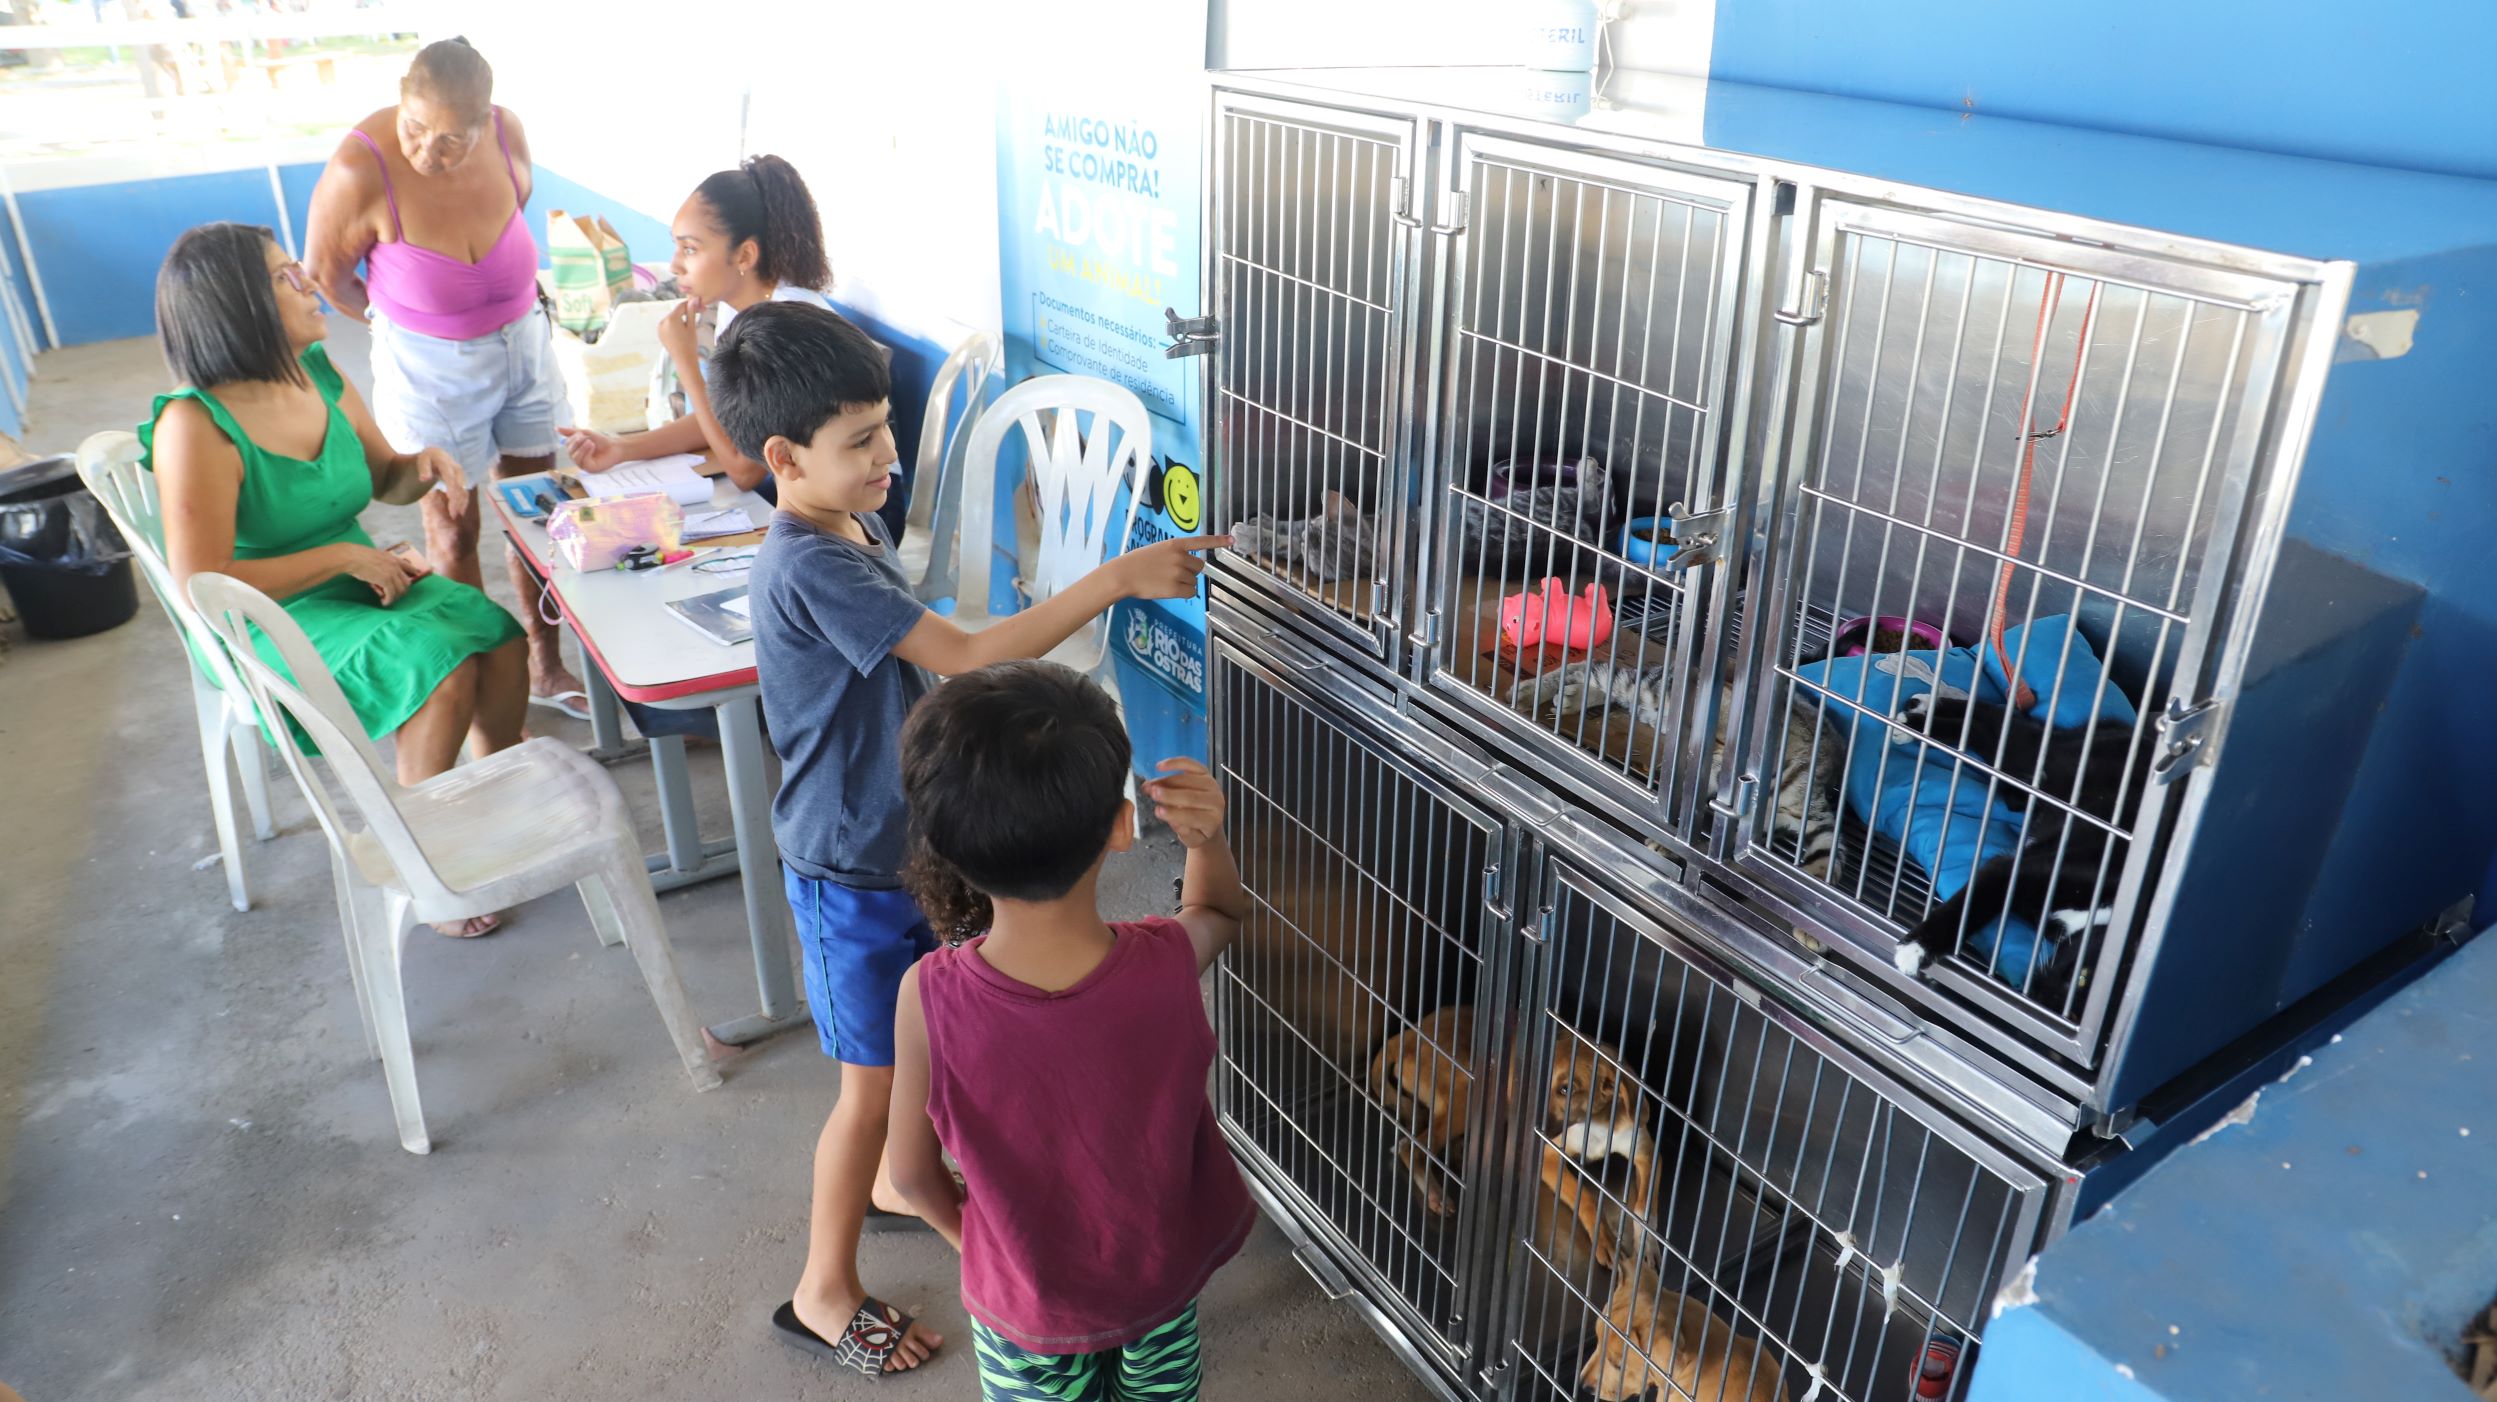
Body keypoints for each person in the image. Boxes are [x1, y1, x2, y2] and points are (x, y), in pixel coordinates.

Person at [706, 301, 1226, 1377]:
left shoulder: (842, 525)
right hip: (847, 861)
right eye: (859, 444)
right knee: (866, 1089)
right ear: (781, 456)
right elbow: (968, 651)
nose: (886, 457)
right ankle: (823, 1288)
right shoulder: (811, 562)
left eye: (885, 430)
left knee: (913, 1050)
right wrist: (1116, 579)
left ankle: (908, 1182)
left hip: (901, 839)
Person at [144, 222, 526, 938]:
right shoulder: (195, 426)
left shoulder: (316, 373)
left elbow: (386, 476)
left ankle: (482, 809)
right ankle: (424, 861)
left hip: (353, 579)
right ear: (238, 305)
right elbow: (201, 581)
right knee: (437, 667)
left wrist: (425, 467)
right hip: (259, 616)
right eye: (287, 278)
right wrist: (343, 559)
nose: (313, 284)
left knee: (494, 632)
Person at [885, 664, 1252, 1401]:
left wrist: (982, 1250)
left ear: (945, 845)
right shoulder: (1165, 962)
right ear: (1122, 827)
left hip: (1025, 1313)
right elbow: (1218, 914)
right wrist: (1205, 837)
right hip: (1158, 1288)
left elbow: (908, 1175)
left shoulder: (927, 997)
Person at [303, 37, 586, 720]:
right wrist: (401, 322)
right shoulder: (357, 168)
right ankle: (487, 683)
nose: (428, 152)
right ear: (399, 96)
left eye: (452, 139)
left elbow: (512, 203)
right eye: (414, 129)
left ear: (486, 120)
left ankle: (545, 666)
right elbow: (324, 277)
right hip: (429, 366)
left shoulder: (507, 131)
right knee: (453, 528)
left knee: (533, 508)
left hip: (524, 340)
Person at [557, 155, 833, 500]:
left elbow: (744, 470)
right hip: (796, 492)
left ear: (745, 256)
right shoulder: (737, 311)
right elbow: (721, 418)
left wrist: (686, 361)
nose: (675, 265)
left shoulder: (789, 323)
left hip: (852, 512)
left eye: (690, 248)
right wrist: (620, 448)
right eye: (677, 246)